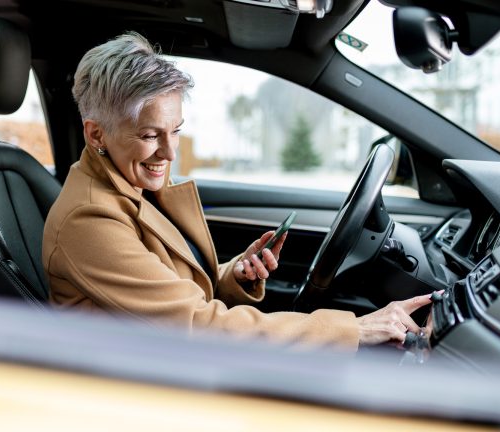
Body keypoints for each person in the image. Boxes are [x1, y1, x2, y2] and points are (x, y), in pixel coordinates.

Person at [42, 32, 431, 350]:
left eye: (175, 130)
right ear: (97, 134)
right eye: (149, 135)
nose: (169, 151)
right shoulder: (90, 218)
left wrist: (236, 277)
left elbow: (177, 294)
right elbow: (196, 323)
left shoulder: (133, 184)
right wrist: (353, 330)